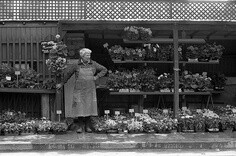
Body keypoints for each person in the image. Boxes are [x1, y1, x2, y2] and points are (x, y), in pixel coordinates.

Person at [56, 48, 107, 133]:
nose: (89, 56)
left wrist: (96, 77)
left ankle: (87, 126)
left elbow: (104, 69)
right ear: (82, 56)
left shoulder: (93, 63)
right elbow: (68, 74)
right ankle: (80, 126)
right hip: (79, 90)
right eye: (87, 55)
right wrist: (61, 83)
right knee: (79, 108)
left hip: (90, 90)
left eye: (89, 55)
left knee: (89, 107)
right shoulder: (76, 64)